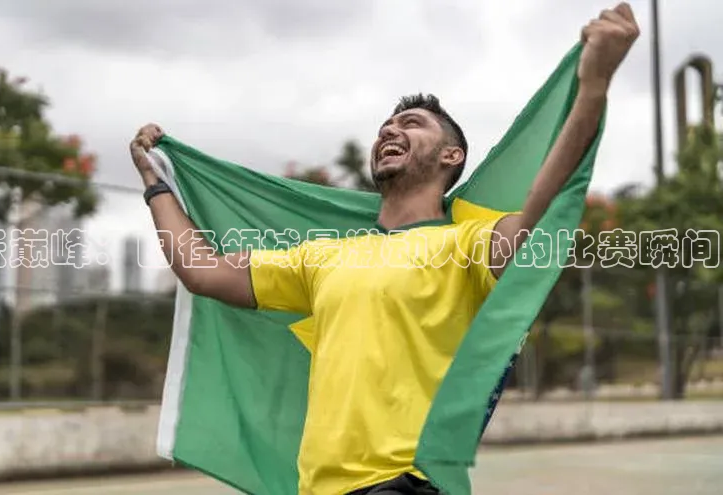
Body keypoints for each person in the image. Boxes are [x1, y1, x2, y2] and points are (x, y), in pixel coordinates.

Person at [129, 4, 639, 494]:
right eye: (385, 128)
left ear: (451, 155)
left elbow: (540, 213)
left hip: (407, 483)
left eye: (412, 124)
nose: (391, 130)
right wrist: (156, 185)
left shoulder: (466, 245)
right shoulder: (323, 257)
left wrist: (592, 88)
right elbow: (203, 272)